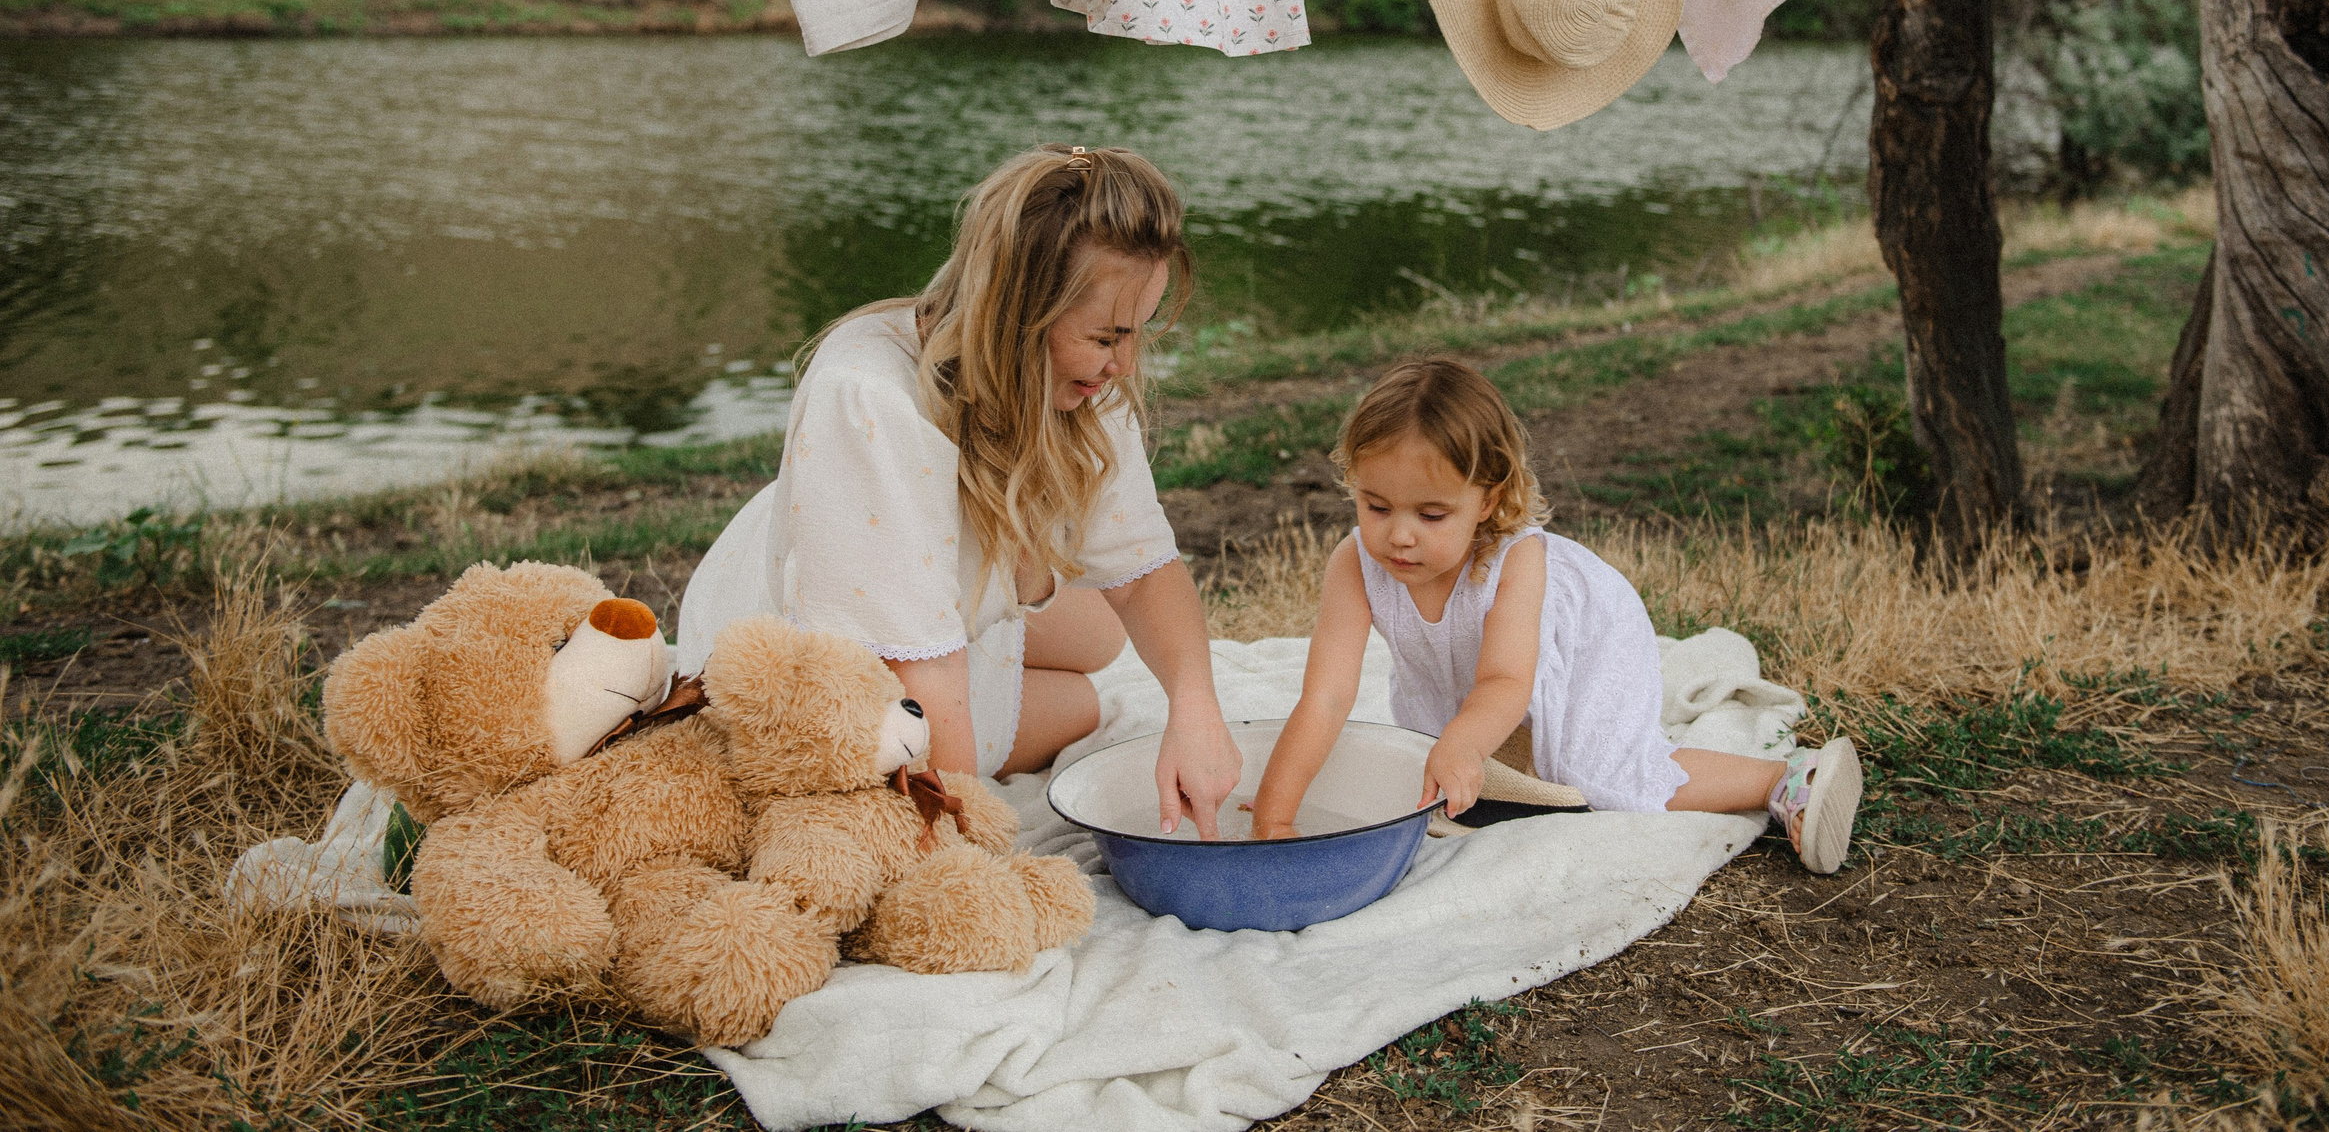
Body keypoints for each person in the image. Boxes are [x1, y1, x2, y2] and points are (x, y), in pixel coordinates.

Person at [675, 144, 1241, 836]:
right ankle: (1010, 579)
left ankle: (1014, 575)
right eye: (1106, 335)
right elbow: (925, 689)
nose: (1124, 362)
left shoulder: (1081, 377)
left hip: (949, 603)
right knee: (1076, 705)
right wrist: (970, 848)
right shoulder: (869, 397)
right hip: (843, 645)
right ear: (1019, 313)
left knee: (1099, 641)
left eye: (1137, 331)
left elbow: (1144, 577)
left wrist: (1196, 711)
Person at [1246, 357, 1862, 872]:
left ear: (1487, 500)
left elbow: (1505, 681)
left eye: (1431, 515)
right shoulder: (1354, 564)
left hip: (1589, 639)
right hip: (1490, 677)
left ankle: (1784, 780)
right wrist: (1275, 814)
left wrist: (1462, 746)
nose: (1399, 537)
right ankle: (1501, 748)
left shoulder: (1517, 562)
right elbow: (1324, 699)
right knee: (1441, 758)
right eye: (1376, 506)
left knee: (1600, 775)